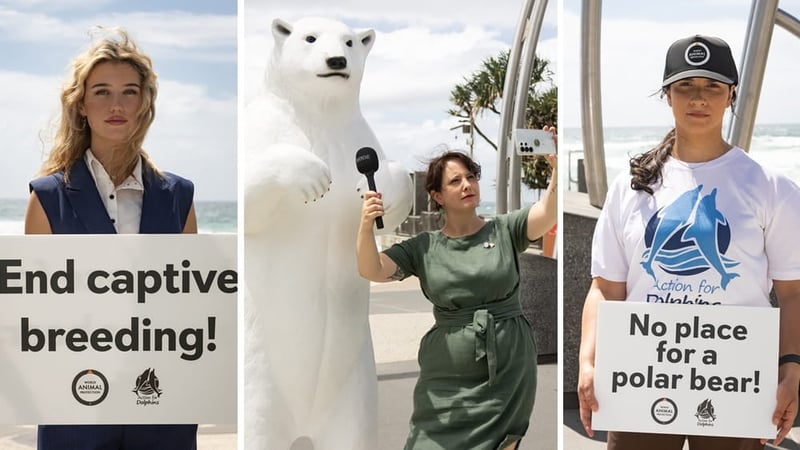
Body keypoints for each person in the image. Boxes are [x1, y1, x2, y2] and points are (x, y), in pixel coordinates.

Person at [577, 34, 800, 449]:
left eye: (712, 86)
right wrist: (587, 361)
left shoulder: (772, 187)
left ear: (731, 94)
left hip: (736, 381)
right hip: (640, 378)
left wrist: (791, 368)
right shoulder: (630, 186)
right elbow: (605, 288)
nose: (699, 98)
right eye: (686, 86)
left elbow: (792, 294)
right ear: (667, 95)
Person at [24, 28, 198, 450]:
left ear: (145, 103)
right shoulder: (47, 197)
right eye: (101, 92)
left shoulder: (178, 196)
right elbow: (34, 311)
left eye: (129, 92)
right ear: (81, 105)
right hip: (77, 401)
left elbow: (191, 303)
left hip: (161, 401)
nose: (116, 105)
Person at [356, 133, 557, 450]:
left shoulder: (505, 229)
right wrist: (366, 226)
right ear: (437, 195)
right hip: (445, 378)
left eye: (471, 177)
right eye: (455, 181)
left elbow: (547, 212)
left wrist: (556, 170)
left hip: (507, 369)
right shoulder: (424, 247)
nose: (467, 184)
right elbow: (372, 270)